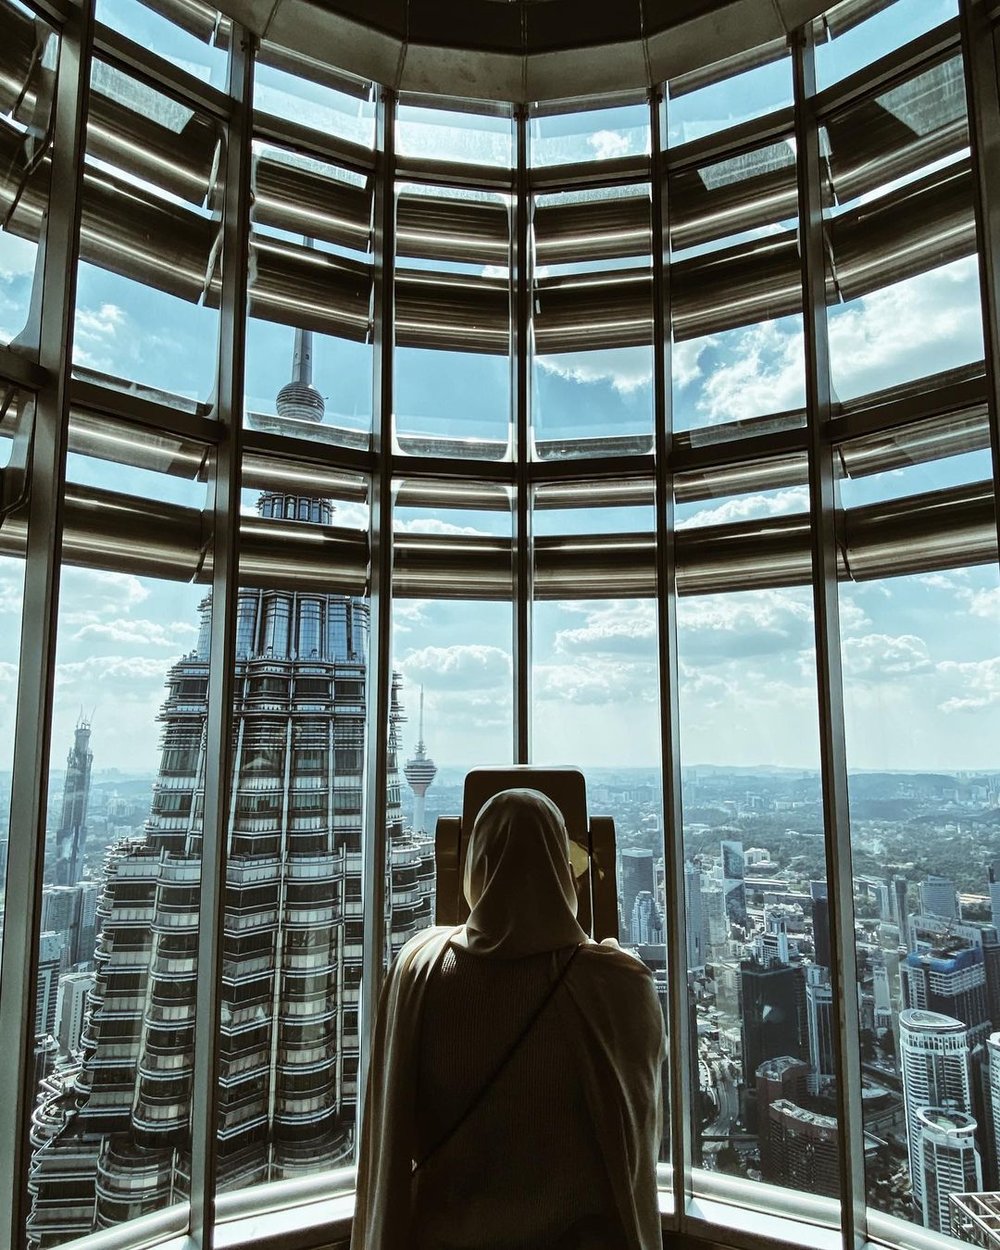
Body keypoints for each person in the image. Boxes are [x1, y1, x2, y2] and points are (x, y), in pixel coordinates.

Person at [351, 787, 666, 1250]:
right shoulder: (616, 985)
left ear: (475, 865)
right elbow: (637, 1144)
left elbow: (391, 1127)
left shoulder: (418, 966)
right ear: (562, 868)